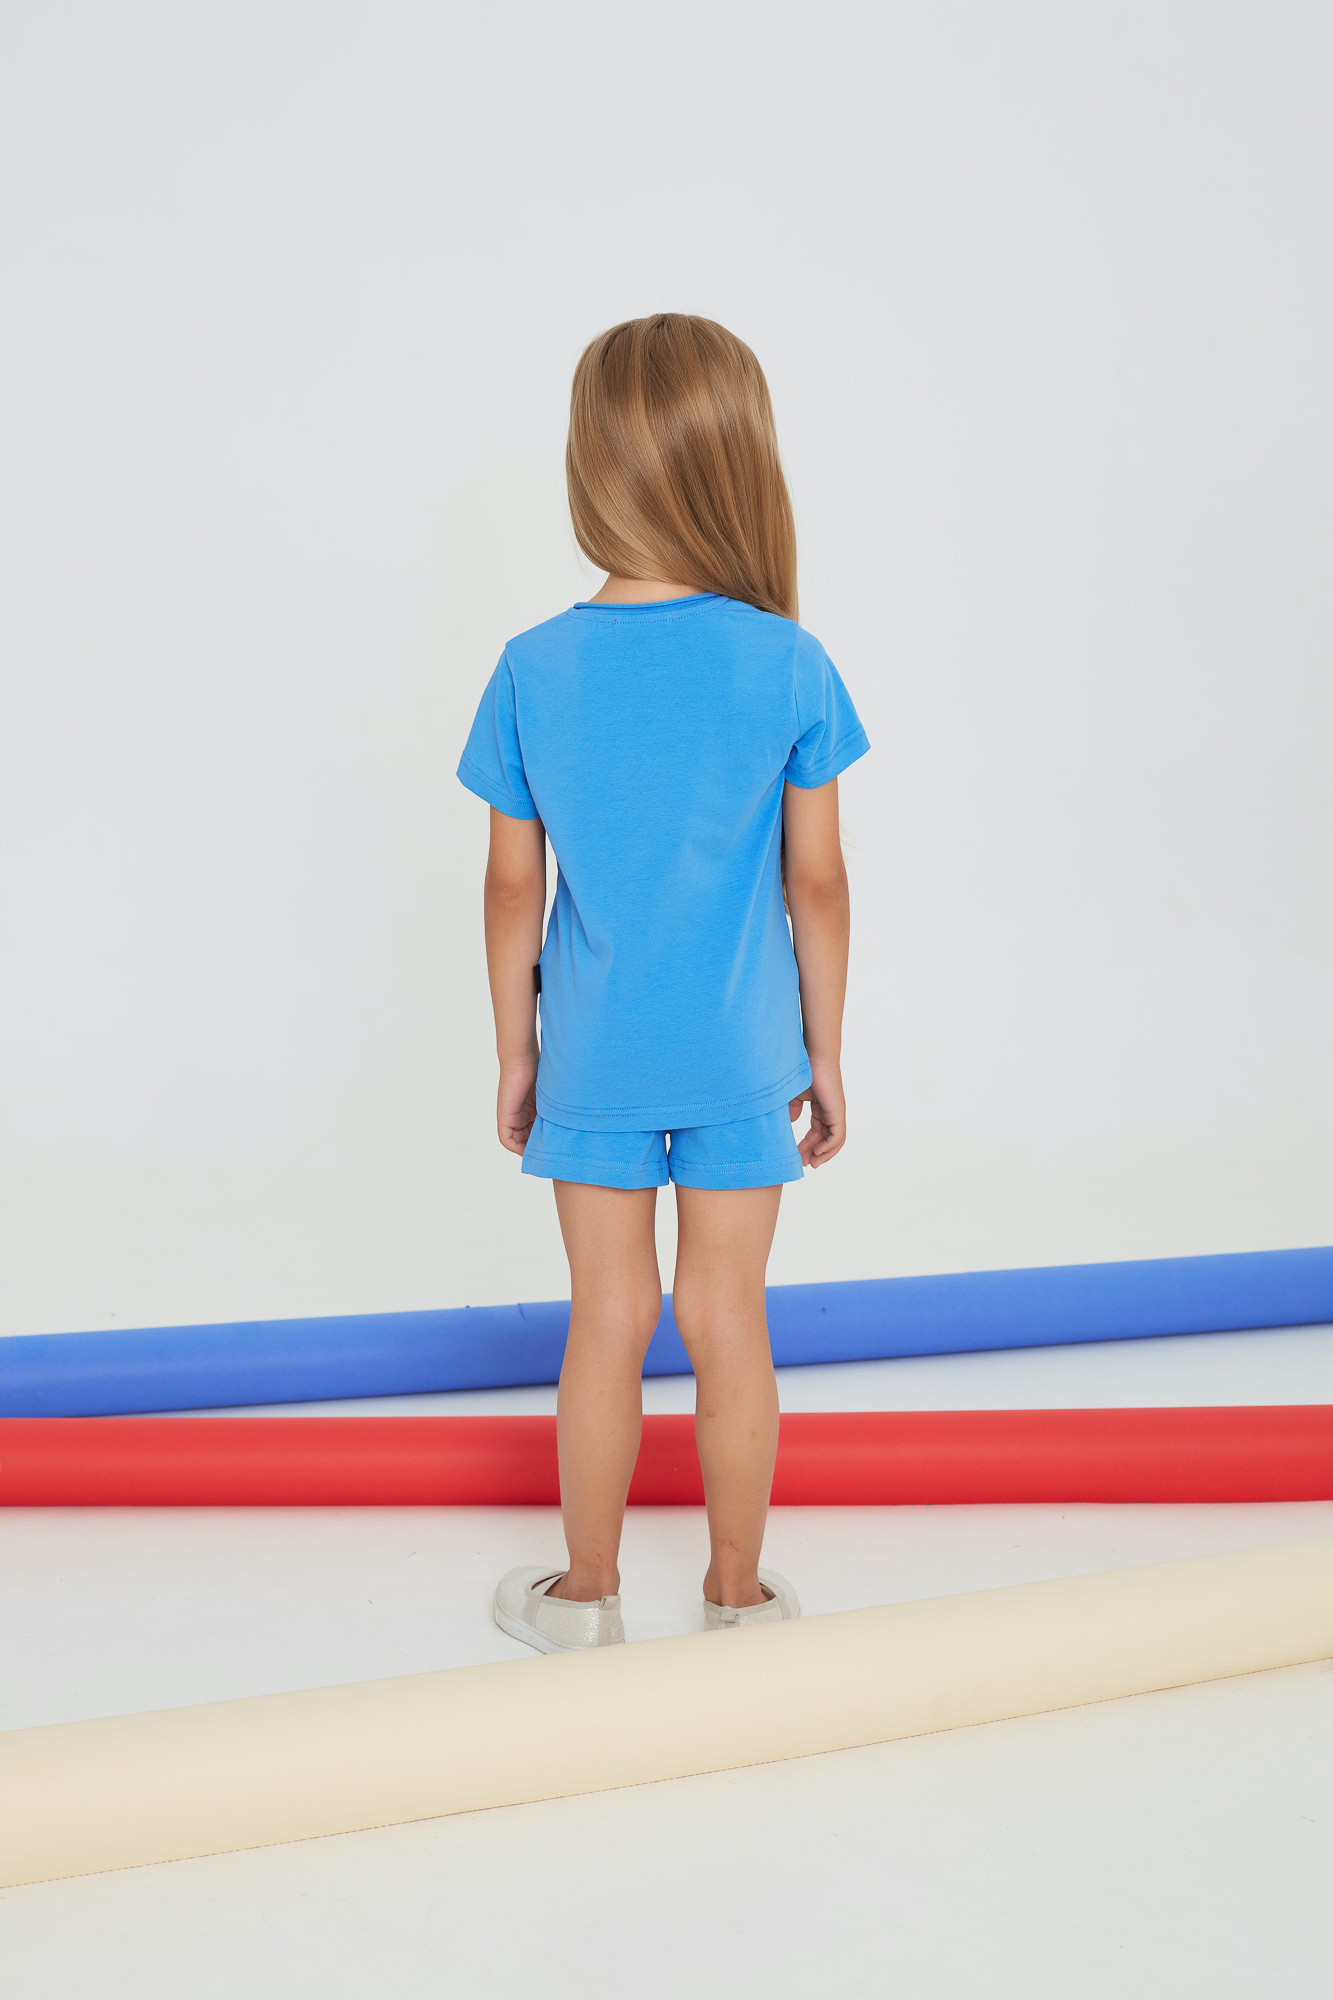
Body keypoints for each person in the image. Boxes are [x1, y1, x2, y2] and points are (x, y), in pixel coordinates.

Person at [457, 314, 869, 1653]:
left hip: (595, 1052)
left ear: (591, 467)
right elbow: (818, 884)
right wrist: (825, 1051)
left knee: (609, 1315)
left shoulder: (531, 667)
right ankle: (736, 1597)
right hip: (742, 1052)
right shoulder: (786, 661)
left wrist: (517, 1052)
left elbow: (511, 890)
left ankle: (585, 1599)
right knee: (726, 1314)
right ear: (738, 462)